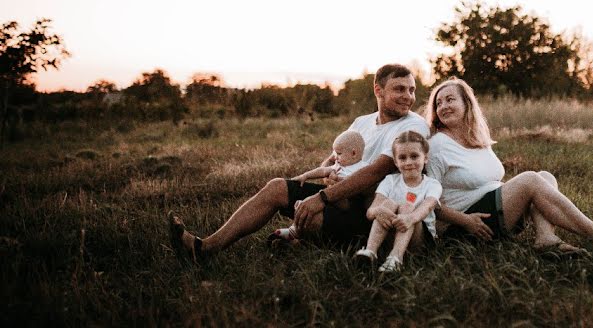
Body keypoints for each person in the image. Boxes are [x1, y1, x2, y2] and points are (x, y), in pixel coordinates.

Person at [168, 64, 429, 261]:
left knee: (311, 218)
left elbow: (376, 171)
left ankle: (309, 239)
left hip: (370, 210)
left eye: (412, 90)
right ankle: (204, 248)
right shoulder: (362, 122)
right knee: (276, 187)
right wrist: (326, 173)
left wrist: (322, 198)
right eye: (400, 89)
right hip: (340, 196)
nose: (408, 96)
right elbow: (335, 155)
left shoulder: (413, 125)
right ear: (378, 90)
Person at [425, 78, 593, 255]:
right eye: (438, 103)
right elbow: (430, 203)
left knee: (545, 176)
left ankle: (546, 238)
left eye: (450, 99)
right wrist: (466, 221)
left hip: (494, 214)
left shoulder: (477, 139)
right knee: (530, 180)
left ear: (467, 104)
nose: (443, 107)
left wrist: (513, 193)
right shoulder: (438, 145)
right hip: (467, 227)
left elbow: (488, 181)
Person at [353, 131, 442, 272]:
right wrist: (378, 211)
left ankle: (396, 259)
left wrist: (410, 218)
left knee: (407, 207)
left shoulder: (432, 185)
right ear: (395, 162)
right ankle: (370, 253)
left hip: (420, 242)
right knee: (387, 205)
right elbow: (371, 212)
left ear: (425, 158)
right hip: (390, 235)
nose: (408, 162)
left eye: (414, 156)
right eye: (402, 158)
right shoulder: (389, 181)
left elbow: (426, 207)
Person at [268, 130, 368, 243]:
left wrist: (340, 181)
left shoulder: (363, 168)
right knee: (313, 205)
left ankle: (294, 233)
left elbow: (360, 184)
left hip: (350, 203)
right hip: (333, 200)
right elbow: (323, 170)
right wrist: (305, 176)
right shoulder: (339, 166)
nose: (335, 158)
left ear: (354, 153)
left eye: (339, 154)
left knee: (323, 198)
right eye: (335, 154)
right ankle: (295, 230)